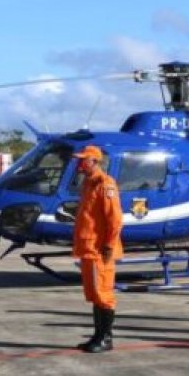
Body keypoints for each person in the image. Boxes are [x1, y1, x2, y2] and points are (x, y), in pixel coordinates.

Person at [71, 145, 123, 352]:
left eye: (83, 159)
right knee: (94, 294)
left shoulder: (105, 184)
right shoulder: (88, 184)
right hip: (87, 248)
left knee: (103, 293)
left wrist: (109, 245)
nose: (79, 163)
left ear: (94, 161)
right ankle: (98, 335)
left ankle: (106, 338)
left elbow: (115, 220)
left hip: (99, 249)